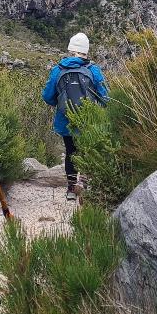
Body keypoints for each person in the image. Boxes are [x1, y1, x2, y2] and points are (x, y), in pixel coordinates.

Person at [42, 32, 108, 201]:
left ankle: (71, 189)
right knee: (88, 151)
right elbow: (105, 97)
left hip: (66, 121)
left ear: (70, 50)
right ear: (86, 51)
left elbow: (48, 97)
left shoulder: (58, 70)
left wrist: (62, 102)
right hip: (89, 121)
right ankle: (84, 185)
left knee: (70, 152)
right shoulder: (93, 70)